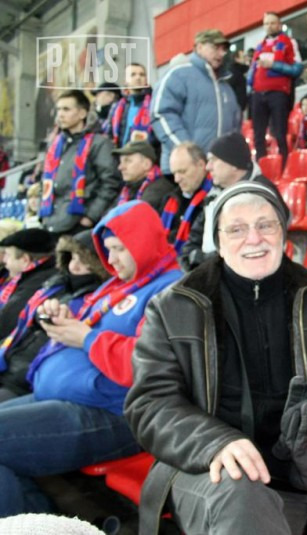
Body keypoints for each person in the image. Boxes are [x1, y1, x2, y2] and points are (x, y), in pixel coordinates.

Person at [125, 181, 307, 535]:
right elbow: (149, 404)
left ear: (283, 232)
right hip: (207, 471)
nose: (253, 239)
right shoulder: (173, 307)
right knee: (240, 494)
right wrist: (214, 442)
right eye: (237, 229)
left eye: (265, 225)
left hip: (305, 482)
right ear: (218, 241)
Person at [0, 200, 182, 517]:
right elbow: (92, 324)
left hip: (113, 414)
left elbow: (149, 365)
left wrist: (86, 338)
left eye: (119, 249)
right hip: (64, 397)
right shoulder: (120, 283)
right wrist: (65, 317)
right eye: (107, 250)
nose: (110, 259)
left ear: (142, 242)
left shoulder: (171, 291)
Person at [0, 230, 108, 402]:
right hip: (13, 363)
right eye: (72, 258)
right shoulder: (57, 283)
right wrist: (41, 315)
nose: (73, 266)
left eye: (84, 262)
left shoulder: (96, 300)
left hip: (23, 379)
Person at [179, 132, 276, 271]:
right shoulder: (215, 194)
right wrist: (188, 261)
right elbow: (194, 238)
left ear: (233, 164)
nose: (208, 167)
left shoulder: (261, 196)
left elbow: (250, 247)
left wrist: (203, 260)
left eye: (213, 160)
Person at [152, 29, 241, 175]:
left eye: (223, 49)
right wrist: (186, 153)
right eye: (215, 47)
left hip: (215, 173)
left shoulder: (226, 88)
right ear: (199, 47)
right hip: (181, 172)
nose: (221, 53)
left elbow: (235, 129)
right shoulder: (179, 74)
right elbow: (160, 114)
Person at [40, 90, 120, 235]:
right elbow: (46, 182)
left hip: (78, 226)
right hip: (51, 222)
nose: (60, 114)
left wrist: (90, 217)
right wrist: (42, 216)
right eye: (58, 109)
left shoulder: (99, 144)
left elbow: (110, 183)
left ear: (82, 113)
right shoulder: (55, 145)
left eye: (66, 109)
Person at [248, 12, 303, 161]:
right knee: (258, 135)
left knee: (280, 133)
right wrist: (250, 87)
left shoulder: (289, 42)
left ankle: (284, 165)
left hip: (278, 93)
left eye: (272, 23)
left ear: (279, 25)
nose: (269, 26)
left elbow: (297, 69)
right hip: (258, 93)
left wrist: (274, 65)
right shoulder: (259, 46)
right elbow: (253, 69)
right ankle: (261, 166)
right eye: (266, 23)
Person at [0, 229, 58, 339]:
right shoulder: (33, 274)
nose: (4, 260)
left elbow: (5, 323)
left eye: (8, 255)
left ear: (25, 260)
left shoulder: (36, 282)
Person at [162, 142, 213, 254]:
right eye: (174, 173)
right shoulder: (171, 199)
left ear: (201, 165)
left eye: (182, 171)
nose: (176, 179)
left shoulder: (213, 201)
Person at [112, 141, 177, 212]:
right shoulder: (128, 189)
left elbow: (137, 216)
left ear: (146, 164)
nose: (120, 167)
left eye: (128, 161)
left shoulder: (158, 189)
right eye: (121, 162)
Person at [103, 63, 155, 148]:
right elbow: (109, 134)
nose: (138, 77)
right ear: (125, 81)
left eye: (142, 74)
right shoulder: (117, 107)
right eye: (133, 75)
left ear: (146, 79)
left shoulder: (154, 102)